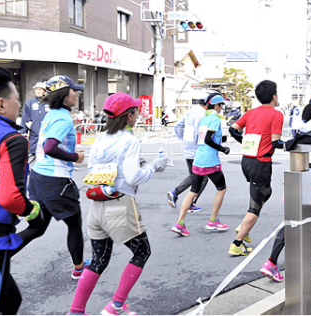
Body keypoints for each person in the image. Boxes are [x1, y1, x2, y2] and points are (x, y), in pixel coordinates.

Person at [67, 93, 168, 316]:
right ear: (128, 115)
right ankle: (116, 305)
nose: (138, 115)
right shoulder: (130, 140)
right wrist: (154, 166)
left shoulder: (101, 139)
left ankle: (76, 312)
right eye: (135, 112)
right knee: (142, 252)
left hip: (97, 205)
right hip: (120, 205)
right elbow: (133, 178)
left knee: (98, 260)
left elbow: (94, 171)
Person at [14, 75, 89, 279]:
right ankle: (79, 267)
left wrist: (69, 149)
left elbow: (51, 143)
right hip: (56, 181)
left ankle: (2, 253)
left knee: (37, 227)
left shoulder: (52, 113)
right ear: (65, 95)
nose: (77, 93)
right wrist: (76, 157)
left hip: (38, 177)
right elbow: (50, 147)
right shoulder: (63, 118)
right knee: (74, 224)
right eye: (74, 90)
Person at [260, 92, 311, 281]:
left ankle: (271, 261)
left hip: (296, 177)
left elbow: (290, 145)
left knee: (292, 220)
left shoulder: (300, 126)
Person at [0, 67, 42, 314]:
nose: (18, 104)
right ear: (2, 104)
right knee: (7, 302)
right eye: (16, 98)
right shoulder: (12, 139)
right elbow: (9, 196)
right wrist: (32, 211)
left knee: (10, 299)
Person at [228, 80, 283, 257]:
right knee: (255, 206)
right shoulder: (276, 115)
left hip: (247, 161)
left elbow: (233, 129)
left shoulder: (251, 113)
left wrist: (245, 142)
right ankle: (237, 242)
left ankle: (244, 225)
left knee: (267, 193)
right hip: (261, 163)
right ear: (274, 96)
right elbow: (276, 141)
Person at [171, 93, 230, 237]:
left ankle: (180, 223)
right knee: (221, 189)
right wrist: (223, 148)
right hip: (210, 160)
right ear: (216, 106)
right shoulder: (215, 119)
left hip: (198, 158)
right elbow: (209, 140)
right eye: (221, 105)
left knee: (193, 190)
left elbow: (204, 138)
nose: (222, 108)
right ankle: (213, 221)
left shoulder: (204, 119)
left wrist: (220, 139)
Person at [168, 91, 209, 213]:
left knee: (195, 175)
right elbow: (202, 133)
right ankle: (189, 201)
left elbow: (177, 127)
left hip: (187, 148)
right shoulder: (204, 115)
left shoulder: (190, 112)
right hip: (198, 150)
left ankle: (177, 194)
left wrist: (183, 139)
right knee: (202, 177)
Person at [20, 81, 49, 165]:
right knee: (32, 156)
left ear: (44, 91)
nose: (38, 91)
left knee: (46, 155)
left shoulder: (49, 102)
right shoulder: (29, 103)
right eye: (37, 89)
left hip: (47, 134)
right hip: (34, 135)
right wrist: (23, 133)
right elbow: (25, 118)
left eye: (40, 90)